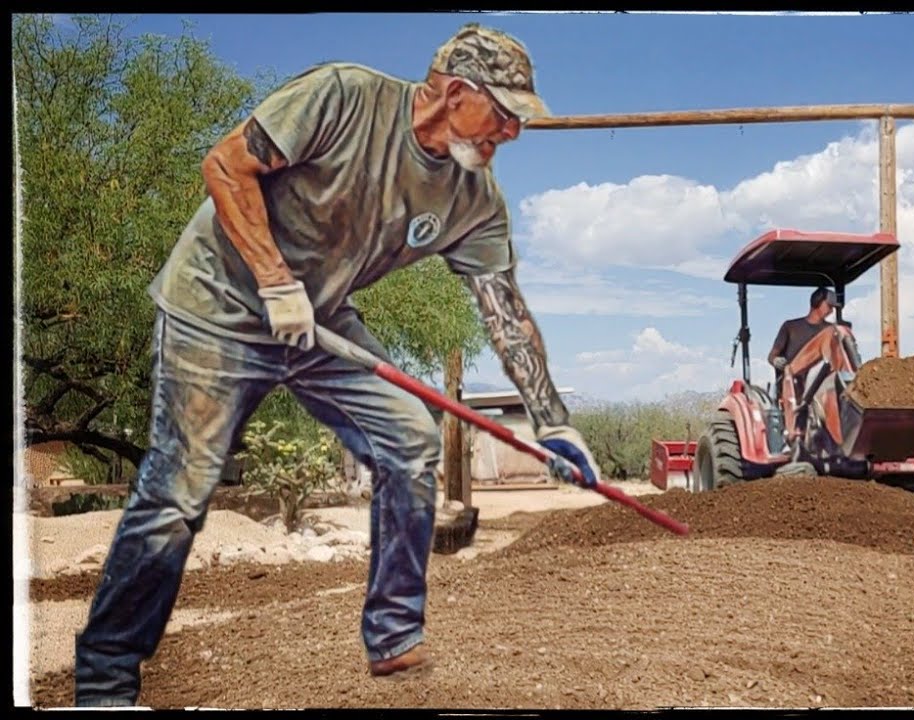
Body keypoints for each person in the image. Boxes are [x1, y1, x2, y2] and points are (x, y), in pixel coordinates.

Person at [72, 23, 602, 707]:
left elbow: (506, 314)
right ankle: (106, 677)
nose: (513, 131)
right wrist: (273, 280)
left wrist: (552, 422)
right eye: (503, 112)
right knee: (179, 491)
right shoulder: (342, 96)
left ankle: (394, 632)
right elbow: (226, 166)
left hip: (318, 323)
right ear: (455, 93)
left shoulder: (473, 199)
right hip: (218, 307)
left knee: (409, 438)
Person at [767, 287, 842, 382]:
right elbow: (771, 356)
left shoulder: (832, 330)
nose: (831, 311)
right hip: (792, 382)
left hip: (823, 382)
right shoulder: (790, 327)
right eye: (829, 306)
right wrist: (776, 360)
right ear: (817, 302)